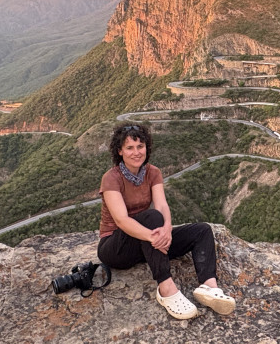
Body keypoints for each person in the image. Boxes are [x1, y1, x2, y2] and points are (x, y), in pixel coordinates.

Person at [97, 123, 235, 319]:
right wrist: (154, 237)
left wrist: (167, 230)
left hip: (146, 242)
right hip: (116, 247)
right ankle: (166, 289)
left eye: (140, 146)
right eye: (130, 148)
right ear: (120, 151)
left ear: (147, 147)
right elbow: (121, 220)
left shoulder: (153, 172)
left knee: (202, 230)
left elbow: (162, 205)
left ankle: (209, 287)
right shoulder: (111, 178)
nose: (136, 152)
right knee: (152, 217)